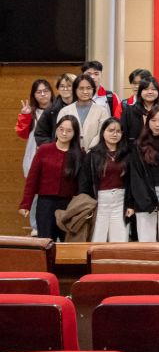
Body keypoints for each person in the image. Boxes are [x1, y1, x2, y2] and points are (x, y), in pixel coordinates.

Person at [20, 115, 81, 240]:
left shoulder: (79, 154)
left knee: (67, 241)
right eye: (61, 129)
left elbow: (81, 183)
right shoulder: (44, 150)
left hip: (68, 205)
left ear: (75, 133)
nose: (64, 133)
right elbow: (32, 179)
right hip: (45, 204)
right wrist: (25, 204)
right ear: (56, 129)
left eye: (69, 131)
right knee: (45, 242)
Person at [127, 106, 159, 243]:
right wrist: (145, 202)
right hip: (144, 198)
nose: (157, 124)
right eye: (154, 120)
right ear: (147, 121)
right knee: (146, 244)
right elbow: (136, 177)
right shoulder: (138, 145)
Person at [80, 118, 128, 242]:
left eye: (118, 131)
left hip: (120, 201)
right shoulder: (93, 154)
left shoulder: (127, 154)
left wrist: (131, 204)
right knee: (97, 239)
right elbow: (84, 182)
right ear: (103, 132)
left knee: (119, 240)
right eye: (111, 130)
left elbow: (132, 181)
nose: (114, 134)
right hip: (99, 201)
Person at [16, 79, 55, 234]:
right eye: (39, 92)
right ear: (34, 95)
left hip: (54, 159)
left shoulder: (59, 110)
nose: (43, 94)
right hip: (33, 158)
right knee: (34, 193)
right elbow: (22, 134)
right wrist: (24, 116)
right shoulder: (30, 112)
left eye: (46, 91)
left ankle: (53, 226)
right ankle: (35, 226)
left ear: (51, 92)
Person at [57, 74, 110, 151]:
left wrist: (90, 150)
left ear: (93, 89)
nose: (85, 91)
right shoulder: (65, 111)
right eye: (81, 88)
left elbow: (102, 134)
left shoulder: (102, 111)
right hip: (69, 153)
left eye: (88, 88)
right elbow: (59, 134)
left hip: (94, 153)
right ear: (75, 90)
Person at [122, 76, 159, 145]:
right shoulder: (129, 111)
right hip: (133, 150)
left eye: (153, 89)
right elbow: (123, 135)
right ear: (140, 92)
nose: (150, 92)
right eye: (146, 89)